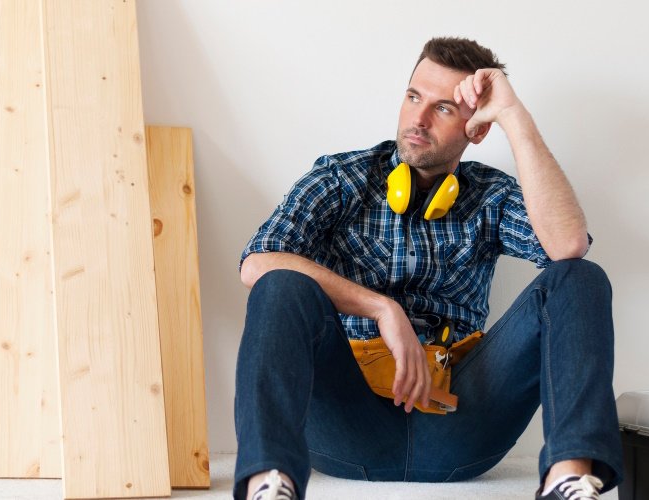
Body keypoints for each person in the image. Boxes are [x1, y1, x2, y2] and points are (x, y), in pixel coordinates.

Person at [233, 37, 622, 500]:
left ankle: (567, 481)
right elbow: (257, 261)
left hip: (461, 426)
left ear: (476, 130)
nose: (417, 119)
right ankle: (268, 486)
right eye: (414, 97)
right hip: (348, 423)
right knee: (281, 284)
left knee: (578, 276)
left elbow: (568, 244)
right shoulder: (342, 176)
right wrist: (382, 310)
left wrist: (513, 116)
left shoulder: (491, 195)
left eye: (442, 109)